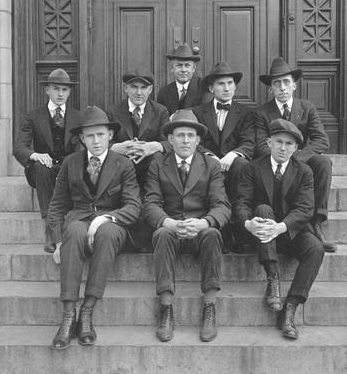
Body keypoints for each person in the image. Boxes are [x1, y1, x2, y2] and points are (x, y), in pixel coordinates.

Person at [47, 106, 141, 349]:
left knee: (107, 233)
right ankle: (69, 314)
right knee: (74, 230)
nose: (96, 141)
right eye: (90, 136)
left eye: (100, 134)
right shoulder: (70, 163)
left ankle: (87, 310)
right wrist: (58, 241)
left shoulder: (123, 164)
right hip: (79, 220)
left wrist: (106, 218)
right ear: (82, 138)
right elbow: (57, 205)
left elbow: (133, 206)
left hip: (113, 223)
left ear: (110, 135)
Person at [143, 109, 230, 343]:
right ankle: (166, 308)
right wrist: (168, 222)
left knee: (213, 233)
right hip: (172, 231)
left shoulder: (210, 165)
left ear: (198, 139)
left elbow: (222, 205)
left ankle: (209, 306)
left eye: (190, 136)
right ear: (170, 139)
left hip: (199, 231)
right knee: (161, 233)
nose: (185, 141)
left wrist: (203, 222)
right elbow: (150, 203)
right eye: (180, 135)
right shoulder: (158, 164)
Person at [235, 119, 324, 340]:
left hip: (289, 230)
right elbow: (241, 203)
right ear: (269, 142)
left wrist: (281, 227)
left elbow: (305, 209)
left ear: (295, 148)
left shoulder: (304, 171)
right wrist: (247, 223)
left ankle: (290, 308)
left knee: (315, 248)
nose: (283, 148)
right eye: (278, 142)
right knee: (263, 209)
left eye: (288, 144)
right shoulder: (252, 167)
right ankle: (273, 279)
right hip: (261, 232)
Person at [254, 57, 337, 253]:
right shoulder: (261, 113)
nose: (282, 87)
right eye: (277, 83)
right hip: (274, 162)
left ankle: (316, 223)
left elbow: (321, 140)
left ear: (294, 86)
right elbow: (260, 145)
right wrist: (281, 159)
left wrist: (296, 158)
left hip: (299, 159)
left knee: (323, 162)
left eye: (286, 82)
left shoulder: (307, 107)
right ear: (270, 89)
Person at [13, 68, 82, 253]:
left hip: (67, 167)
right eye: (56, 89)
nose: (60, 94)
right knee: (42, 168)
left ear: (69, 91)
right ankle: (51, 229)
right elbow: (19, 147)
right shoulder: (32, 116)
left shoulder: (78, 117)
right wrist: (36, 155)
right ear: (47, 90)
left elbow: (83, 147)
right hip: (43, 170)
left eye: (65, 90)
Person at [191, 61, 255, 253]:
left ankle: (236, 229)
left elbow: (249, 142)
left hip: (233, 165)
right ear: (211, 88)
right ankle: (215, 228)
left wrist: (233, 154)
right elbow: (194, 141)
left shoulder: (246, 112)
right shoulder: (198, 112)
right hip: (206, 163)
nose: (226, 88)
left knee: (242, 165)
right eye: (221, 84)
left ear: (235, 86)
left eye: (230, 83)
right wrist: (209, 155)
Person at [106, 68, 171, 189]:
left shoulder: (160, 111)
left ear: (150, 89)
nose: (139, 92)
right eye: (134, 87)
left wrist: (155, 146)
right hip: (122, 169)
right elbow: (102, 142)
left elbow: (169, 142)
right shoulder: (112, 112)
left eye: (144, 88)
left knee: (158, 158)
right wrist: (115, 147)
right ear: (126, 88)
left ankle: (152, 197)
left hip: (150, 169)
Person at [156, 43, 212, 114]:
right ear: (172, 68)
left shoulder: (203, 87)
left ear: (193, 68)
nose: (183, 70)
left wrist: (181, 113)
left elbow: (205, 110)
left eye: (187, 65)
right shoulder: (164, 93)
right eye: (179, 65)